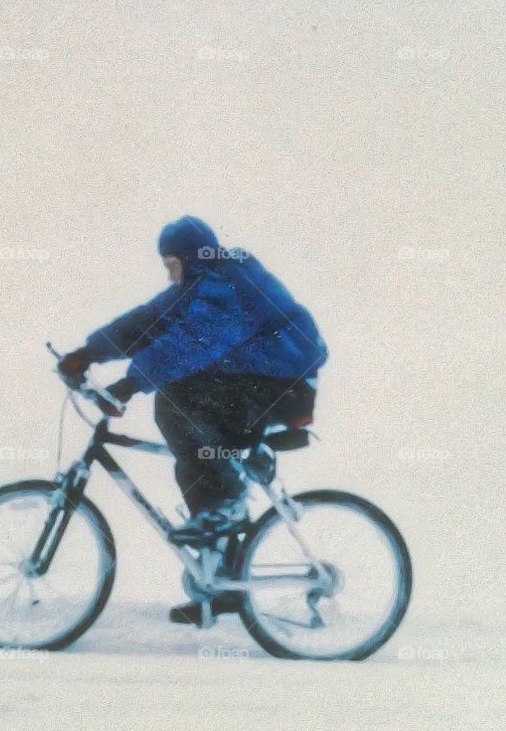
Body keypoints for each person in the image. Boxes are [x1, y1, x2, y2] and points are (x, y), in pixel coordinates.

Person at [58, 216, 327, 623]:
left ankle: (229, 504)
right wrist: (88, 353)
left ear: (189, 258)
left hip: (280, 388)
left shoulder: (229, 283)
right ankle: (223, 582)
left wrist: (130, 386)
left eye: (171, 265)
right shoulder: (200, 285)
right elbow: (147, 322)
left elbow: (191, 345)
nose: (169, 275)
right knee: (198, 465)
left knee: (176, 401)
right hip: (258, 382)